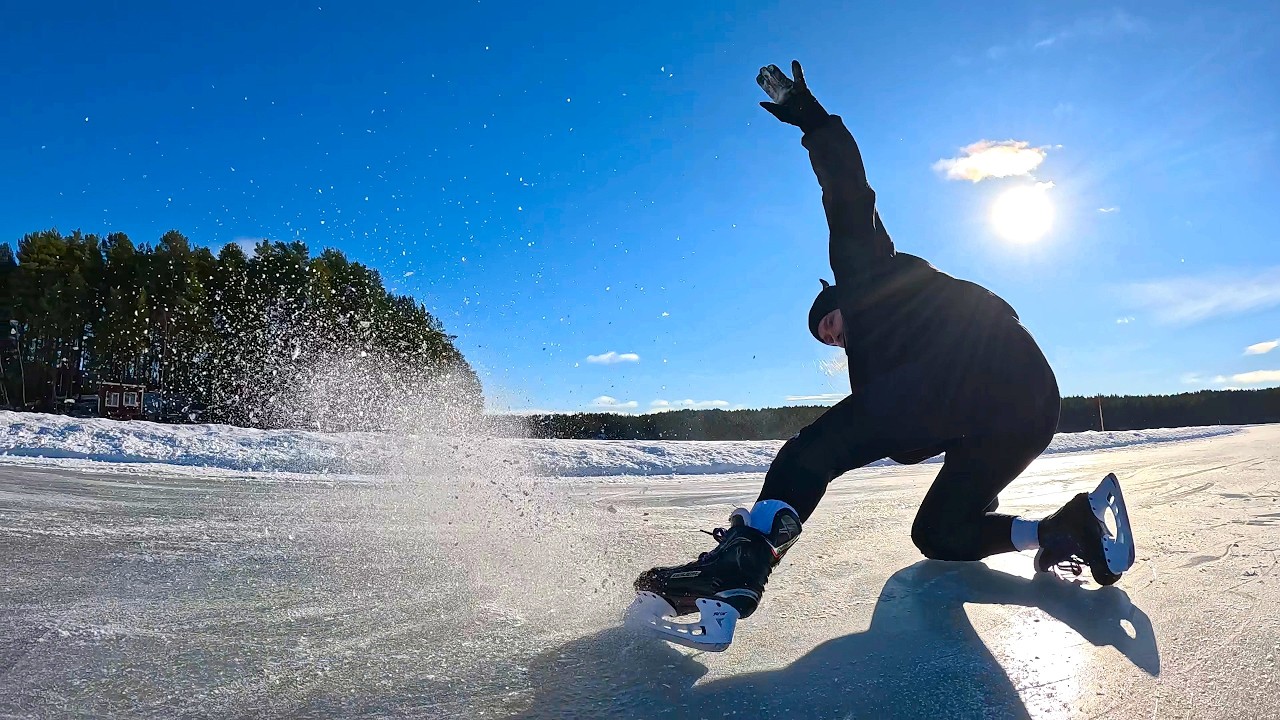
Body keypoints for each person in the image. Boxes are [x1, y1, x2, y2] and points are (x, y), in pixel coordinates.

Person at [634, 61, 1127, 630]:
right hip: (1025, 412)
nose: (834, 336)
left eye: (831, 321)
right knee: (938, 533)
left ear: (839, 297)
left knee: (808, 453)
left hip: (985, 367)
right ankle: (1062, 530)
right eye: (828, 339)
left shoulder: (867, 274)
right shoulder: (878, 366)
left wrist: (811, 121)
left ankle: (738, 568)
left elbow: (847, 191)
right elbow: (907, 440)